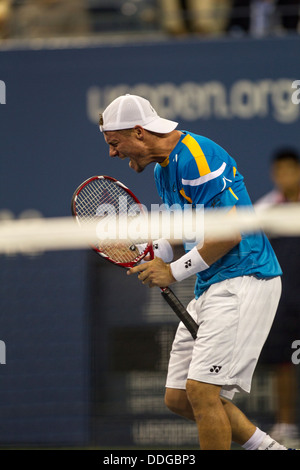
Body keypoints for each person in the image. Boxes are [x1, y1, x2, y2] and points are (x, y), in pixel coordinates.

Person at [99, 94, 288, 450]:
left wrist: (171, 272)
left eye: (114, 143)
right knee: (179, 398)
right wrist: (155, 252)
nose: (112, 154)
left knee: (202, 391)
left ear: (139, 132)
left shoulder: (198, 157)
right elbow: (182, 236)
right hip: (214, 284)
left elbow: (230, 234)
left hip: (246, 277)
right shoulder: (161, 170)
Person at [255, 148, 300, 448]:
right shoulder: (265, 210)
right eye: (278, 171)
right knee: (283, 363)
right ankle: (285, 425)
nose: (284, 177)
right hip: (286, 303)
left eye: (289, 170)